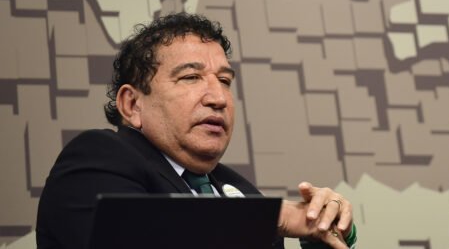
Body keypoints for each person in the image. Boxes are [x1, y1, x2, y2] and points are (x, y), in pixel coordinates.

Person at [36, 13, 357, 249]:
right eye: (190, 77)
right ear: (132, 104)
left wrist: (320, 231)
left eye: (225, 81)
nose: (219, 98)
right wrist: (273, 218)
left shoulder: (241, 190)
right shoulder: (98, 157)